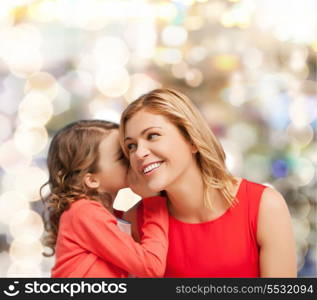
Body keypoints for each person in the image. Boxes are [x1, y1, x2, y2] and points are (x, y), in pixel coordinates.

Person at [119, 88, 297, 278]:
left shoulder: (264, 206)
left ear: (191, 140)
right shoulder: (136, 221)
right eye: (131, 146)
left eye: (152, 136)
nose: (138, 153)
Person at [41, 120, 168, 278]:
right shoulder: (84, 212)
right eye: (122, 157)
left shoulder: (108, 214)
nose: (133, 157)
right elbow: (150, 267)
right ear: (92, 180)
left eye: (129, 148)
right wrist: (153, 201)